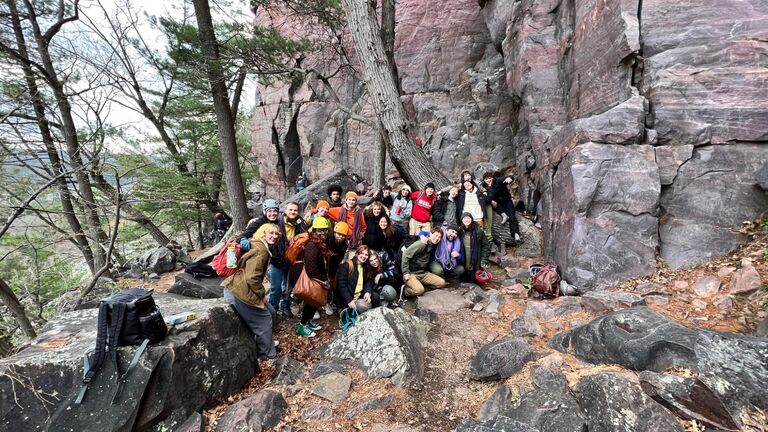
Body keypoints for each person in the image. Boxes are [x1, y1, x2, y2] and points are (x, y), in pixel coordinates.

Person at [222, 223, 280, 359]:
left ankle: (266, 342)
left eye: (276, 234)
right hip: (240, 291)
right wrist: (262, 296)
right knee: (264, 319)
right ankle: (267, 354)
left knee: (271, 312)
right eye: (271, 233)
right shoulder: (262, 250)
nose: (274, 236)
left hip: (235, 286)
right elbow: (252, 278)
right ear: (263, 233)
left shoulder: (254, 243)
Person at [240, 201, 307, 317]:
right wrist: (242, 239)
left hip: (292, 258)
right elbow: (247, 232)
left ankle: (285, 306)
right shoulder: (270, 221)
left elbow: (305, 234)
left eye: (274, 211)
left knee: (288, 286)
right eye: (290, 209)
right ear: (285, 210)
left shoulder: (299, 223)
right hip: (277, 259)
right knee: (276, 288)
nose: (272, 214)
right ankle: (273, 310)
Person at [289, 218, 332, 337]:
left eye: (324, 231)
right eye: (319, 231)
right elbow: (311, 267)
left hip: (309, 273)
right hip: (303, 274)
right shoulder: (312, 245)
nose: (322, 233)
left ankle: (307, 320)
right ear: (314, 230)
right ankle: (301, 326)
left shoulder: (319, 243)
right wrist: (323, 280)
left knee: (313, 300)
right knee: (312, 299)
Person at [401, 227, 446, 297]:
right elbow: (405, 254)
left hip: (423, 273)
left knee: (441, 283)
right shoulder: (421, 243)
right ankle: (405, 291)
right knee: (419, 290)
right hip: (412, 273)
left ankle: (420, 287)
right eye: (436, 235)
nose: (437, 238)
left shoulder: (432, 245)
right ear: (430, 234)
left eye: (439, 237)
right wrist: (405, 272)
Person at [334, 245, 376, 313]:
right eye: (361, 253)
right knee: (349, 320)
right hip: (347, 299)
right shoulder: (346, 265)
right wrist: (349, 300)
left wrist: (368, 292)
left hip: (359, 297)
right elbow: (341, 285)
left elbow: (368, 280)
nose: (364, 256)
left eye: (366, 255)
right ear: (357, 254)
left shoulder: (365, 266)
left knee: (375, 297)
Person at [482, 171, 521, 243]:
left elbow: (506, 178)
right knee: (491, 202)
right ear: (484, 180)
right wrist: (489, 189)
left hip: (506, 201)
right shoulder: (484, 186)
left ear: (493, 178)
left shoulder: (498, 181)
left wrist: (510, 178)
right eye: (486, 179)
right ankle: (504, 215)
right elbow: (488, 198)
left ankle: (516, 234)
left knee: (512, 216)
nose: (488, 180)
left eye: (490, 178)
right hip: (498, 203)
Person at [458, 212, 491, 283]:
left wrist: (484, 259)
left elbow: (486, 245)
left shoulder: (479, 231)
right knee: (463, 281)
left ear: (472, 219)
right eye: (464, 218)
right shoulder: (460, 231)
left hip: (475, 261)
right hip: (464, 260)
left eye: (468, 218)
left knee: (474, 281)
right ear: (462, 220)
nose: (466, 220)